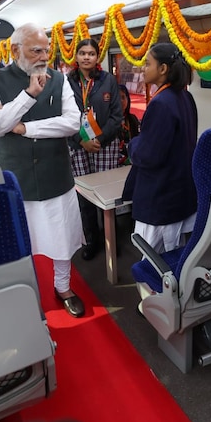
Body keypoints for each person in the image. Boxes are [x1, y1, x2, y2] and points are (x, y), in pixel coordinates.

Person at [0, 22, 85, 318]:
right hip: (15, 175)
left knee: (61, 237)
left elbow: (72, 122)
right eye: (36, 50)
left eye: (46, 50)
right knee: (18, 239)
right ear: (16, 50)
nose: (44, 56)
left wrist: (24, 128)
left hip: (55, 173)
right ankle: (24, 292)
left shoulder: (58, 79)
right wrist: (27, 96)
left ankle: (63, 287)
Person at [122, 42, 198, 254]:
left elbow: (148, 155)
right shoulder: (185, 96)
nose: (143, 69)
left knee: (154, 262)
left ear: (163, 69)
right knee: (176, 256)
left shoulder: (161, 103)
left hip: (161, 197)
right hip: (180, 192)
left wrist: (133, 143)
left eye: (148, 64)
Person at [66, 38, 123, 260]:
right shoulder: (67, 82)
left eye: (91, 53)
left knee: (107, 194)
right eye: (82, 53)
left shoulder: (108, 80)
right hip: (77, 144)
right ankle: (91, 240)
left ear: (97, 57)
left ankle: (111, 238)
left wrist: (97, 139)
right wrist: (82, 140)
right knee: (84, 194)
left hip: (104, 144)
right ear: (76, 56)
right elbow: (62, 116)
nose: (86, 57)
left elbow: (117, 116)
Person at [117, 84, 140, 166]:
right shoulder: (109, 121)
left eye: (123, 97)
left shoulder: (132, 119)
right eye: (118, 98)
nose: (121, 101)